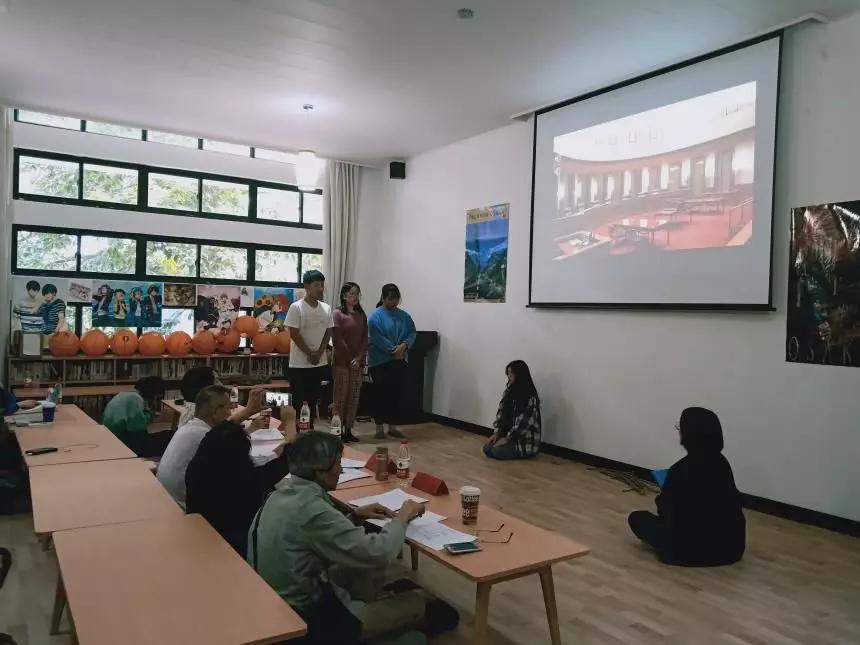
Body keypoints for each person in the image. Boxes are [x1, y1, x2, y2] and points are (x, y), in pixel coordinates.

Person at [248, 432, 456, 645]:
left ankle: (382, 617)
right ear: (319, 471)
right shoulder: (312, 509)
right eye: (338, 463)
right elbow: (378, 553)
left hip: (282, 601)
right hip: (309, 618)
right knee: (420, 624)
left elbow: (317, 537)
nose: (340, 470)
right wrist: (403, 516)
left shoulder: (280, 495)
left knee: (364, 572)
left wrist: (354, 517)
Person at [628, 407, 746, 567]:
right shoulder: (722, 464)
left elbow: (666, 511)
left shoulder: (680, 470)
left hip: (686, 552)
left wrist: (663, 495)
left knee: (637, 518)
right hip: (729, 550)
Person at [185, 420, 292, 557]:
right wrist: (290, 422)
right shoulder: (241, 481)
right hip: (234, 544)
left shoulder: (195, 468)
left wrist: (276, 455)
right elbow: (279, 467)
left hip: (201, 531)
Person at [157, 385, 266, 507]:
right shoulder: (205, 435)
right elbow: (246, 465)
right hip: (183, 505)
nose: (230, 413)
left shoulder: (191, 427)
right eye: (228, 408)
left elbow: (225, 427)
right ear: (215, 411)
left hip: (167, 496)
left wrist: (248, 412)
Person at [286, 270, 333, 431]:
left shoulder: (326, 308)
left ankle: (310, 431)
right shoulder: (296, 307)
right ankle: (298, 433)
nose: (320, 289)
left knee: (313, 400)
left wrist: (319, 353)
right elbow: (294, 333)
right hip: (299, 364)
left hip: (318, 362)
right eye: (316, 285)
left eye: (322, 285)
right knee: (299, 401)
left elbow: (328, 332)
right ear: (307, 286)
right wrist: (309, 353)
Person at [368, 284, 415, 439]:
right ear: (383, 298)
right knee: (380, 394)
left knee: (396, 394)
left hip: (399, 360)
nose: (393, 302)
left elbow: (412, 332)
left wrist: (404, 346)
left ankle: (393, 426)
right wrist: (394, 350)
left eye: (396, 299)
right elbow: (377, 337)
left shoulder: (404, 316)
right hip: (380, 362)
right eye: (390, 299)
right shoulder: (375, 317)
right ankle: (379, 427)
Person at [332, 282, 368, 443]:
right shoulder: (337, 314)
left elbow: (365, 339)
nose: (355, 297)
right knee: (340, 395)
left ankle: (348, 429)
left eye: (357, 294)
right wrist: (350, 358)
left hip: (357, 363)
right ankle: (337, 428)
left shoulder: (361, 315)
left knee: (354, 396)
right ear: (344, 295)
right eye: (352, 293)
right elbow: (337, 339)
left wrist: (359, 358)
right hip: (341, 362)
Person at [483, 361, 542, 460]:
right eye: (508, 373)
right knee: (487, 448)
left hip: (522, 442)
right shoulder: (509, 392)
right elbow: (501, 414)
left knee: (496, 451)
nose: (509, 376)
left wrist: (507, 439)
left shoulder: (529, 397)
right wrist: (497, 434)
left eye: (511, 373)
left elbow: (522, 425)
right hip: (508, 436)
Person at [101, 376, 171, 458]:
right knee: (169, 436)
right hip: (123, 443)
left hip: (113, 437)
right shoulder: (135, 399)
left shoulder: (126, 394)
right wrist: (150, 414)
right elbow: (137, 427)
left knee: (165, 435)